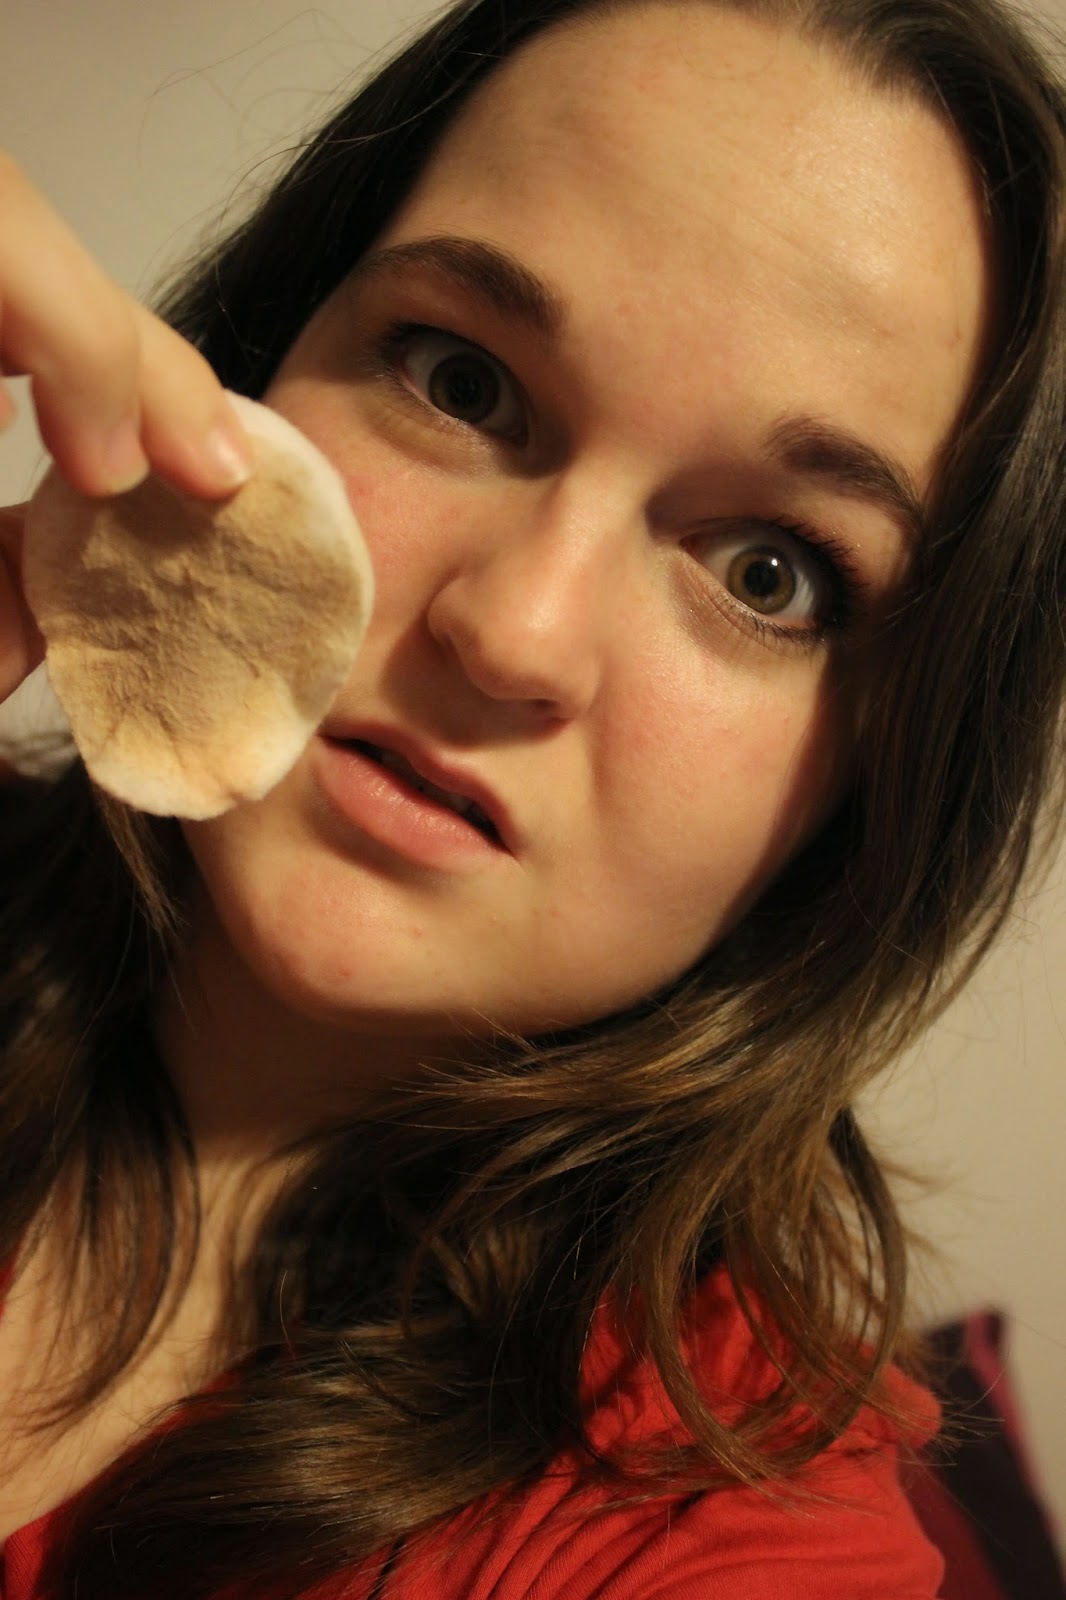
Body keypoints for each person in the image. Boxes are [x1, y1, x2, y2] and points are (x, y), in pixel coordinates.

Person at [0, 0, 1063, 1595]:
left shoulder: (733, 1529)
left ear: (879, 782)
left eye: (765, 573)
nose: (511, 633)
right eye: (461, 382)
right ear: (256, 363)